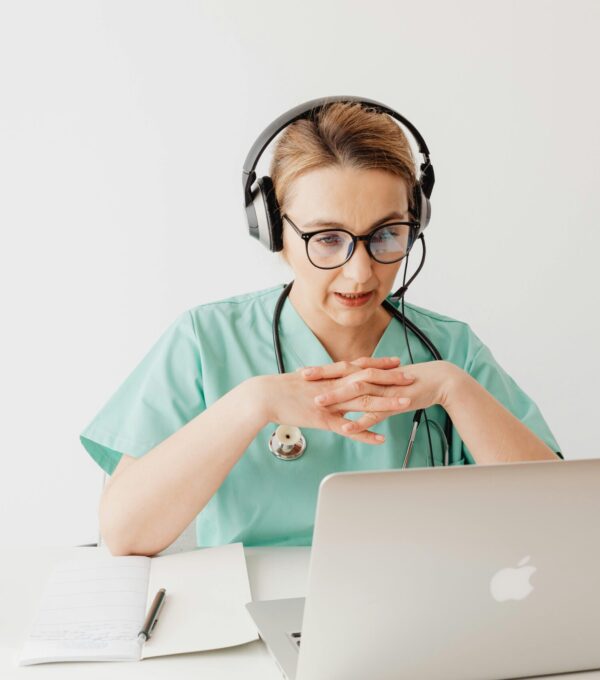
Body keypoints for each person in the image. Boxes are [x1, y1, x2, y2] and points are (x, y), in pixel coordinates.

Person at [80, 99, 562, 557]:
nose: (360, 273)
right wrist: (252, 404)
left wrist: (457, 390)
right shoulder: (206, 341)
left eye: (387, 235)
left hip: (418, 616)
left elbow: (558, 523)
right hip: (251, 623)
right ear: (274, 232)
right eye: (327, 239)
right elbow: (124, 534)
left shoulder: (450, 349)